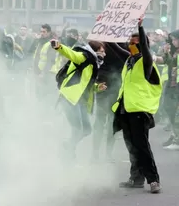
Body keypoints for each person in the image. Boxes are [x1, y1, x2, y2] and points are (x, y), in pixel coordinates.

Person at [111, 17, 162, 193]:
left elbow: (146, 49)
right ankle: (136, 178)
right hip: (125, 109)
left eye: (136, 42)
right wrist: (104, 29)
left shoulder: (146, 61)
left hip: (139, 110)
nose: (131, 44)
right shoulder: (129, 60)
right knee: (131, 146)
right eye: (130, 42)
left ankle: (153, 180)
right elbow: (113, 47)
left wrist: (140, 27)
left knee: (141, 145)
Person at [50, 39, 106, 160]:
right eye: (102, 51)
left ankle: (68, 147)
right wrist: (59, 47)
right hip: (70, 98)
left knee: (86, 129)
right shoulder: (85, 57)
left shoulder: (94, 63)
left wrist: (97, 87)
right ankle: (68, 154)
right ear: (95, 51)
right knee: (77, 128)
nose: (104, 54)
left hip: (80, 101)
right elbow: (72, 54)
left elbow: (86, 84)